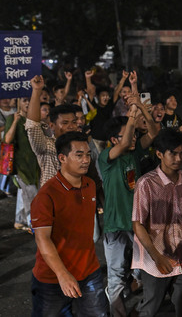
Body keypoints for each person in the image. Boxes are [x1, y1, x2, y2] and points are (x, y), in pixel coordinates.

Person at [30, 132, 108, 316]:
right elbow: (43, 240)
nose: (86, 160)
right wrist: (62, 275)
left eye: (88, 154)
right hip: (52, 279)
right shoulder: (46, 196)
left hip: (89, 270)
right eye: (79, 155)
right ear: (62, 158)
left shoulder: (89, 184)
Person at [99, 101, 159, 317]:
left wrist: (142, 108)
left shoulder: (135, 152)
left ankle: (140, 301)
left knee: (142, 269)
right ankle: (117, 313)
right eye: (128, 134)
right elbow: (124, 144)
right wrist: (132, 115)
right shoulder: (106, 157)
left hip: (138, 223)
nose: (133, 138)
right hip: (115, 225)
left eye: (134, 134)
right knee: (115, 275)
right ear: (113, 140)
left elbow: (154, 131)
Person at [132, 129, 182, 316]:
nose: (178, 157)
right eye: (172, 153)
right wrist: (157, 256)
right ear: (159, 154)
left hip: (180, 251)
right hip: (155, 255)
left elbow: (180, 215)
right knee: (152, 305)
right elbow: (138, 224)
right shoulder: (146, 184)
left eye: (181, 152)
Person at [26, 76, 78, 187]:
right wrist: (36, 91)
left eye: (74, 122)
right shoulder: (47, 146)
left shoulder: (81, 146)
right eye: (65, 123)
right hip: (53, 199)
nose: (71, 126)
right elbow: (33, 126)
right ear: (52, 126)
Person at [4, 98, 40, 232]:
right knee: (31, 194)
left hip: (34, 164)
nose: (28, 104)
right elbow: (7, 140)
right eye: (25, 100)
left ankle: (21, 220)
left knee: (27, 193)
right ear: (19, 102)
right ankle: (34, 224)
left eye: (31, 101)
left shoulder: (35, 120)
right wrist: (14, 122)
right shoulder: (12, 119)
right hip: (20, 165)